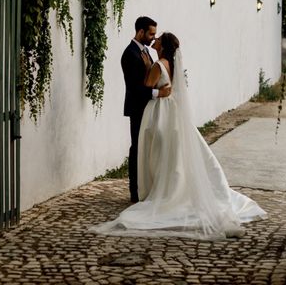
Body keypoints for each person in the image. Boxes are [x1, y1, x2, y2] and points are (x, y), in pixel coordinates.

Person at [91, 32, 267, 240]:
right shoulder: (172, 64)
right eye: (152, 36)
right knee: (175, 151)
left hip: (160, 111)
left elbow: (147, 85)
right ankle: (173, 186)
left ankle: (161, 190)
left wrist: (149, 69)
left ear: (163, 46)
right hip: (172, 110)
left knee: (158, 151)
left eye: (157, 39)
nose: (154, 40)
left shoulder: (158, 64)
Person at [120, 16, 171, 203]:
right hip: (137, 108)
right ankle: (135, 192)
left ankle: (147, 186)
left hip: (149, 109)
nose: (153, 37)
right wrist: (159, 93)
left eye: (154, 34)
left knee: (147, 148)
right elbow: (135, 87)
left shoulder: (147, 53)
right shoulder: (130, 54)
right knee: (136, 149)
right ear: (140, 32)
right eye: (151, 33)